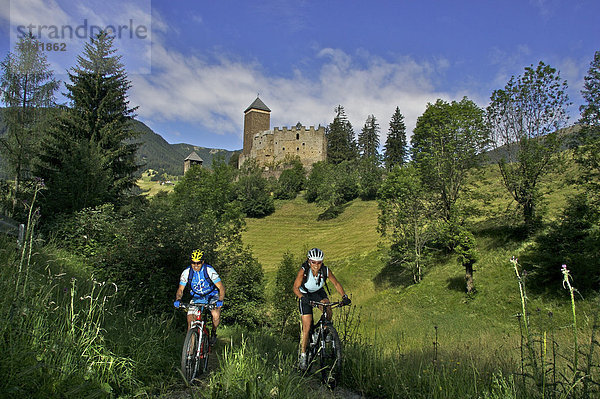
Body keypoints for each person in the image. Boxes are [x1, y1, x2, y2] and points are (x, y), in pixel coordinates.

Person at [293, 247, 351, 370]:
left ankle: (325, 330)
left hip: (318, 292)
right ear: (309, 261)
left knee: (328, 308)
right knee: (307, 327)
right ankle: (303, 355)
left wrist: (344, 296)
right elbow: (295, 288)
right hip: (305, 295)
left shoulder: (325, 270)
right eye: (313, 262)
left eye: (319, 262)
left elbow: (336, 283)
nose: (316, 265)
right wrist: (302, 298)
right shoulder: (304, 271)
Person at [174, 249, 225, 346]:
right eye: (193, 263)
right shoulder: (187, 272)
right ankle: (190, 351)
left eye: (198, 263)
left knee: (215, 314)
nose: (196, 265)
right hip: (197, 297)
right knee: (190, 322)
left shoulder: (209, 270)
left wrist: (220, 300)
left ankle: (213, 332)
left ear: (203, 262)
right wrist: (178, 299)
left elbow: (221, 287)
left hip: (211, 295)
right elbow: (180, 289)